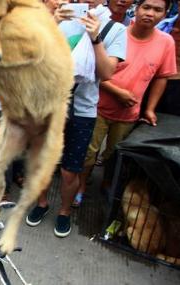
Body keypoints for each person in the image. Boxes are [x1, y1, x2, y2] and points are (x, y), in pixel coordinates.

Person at [27, 0, 127, 237]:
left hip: (82, 110)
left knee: (70, 170)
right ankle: (41, 203)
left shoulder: (115, 29)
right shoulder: (60, 20)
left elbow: (106, 73)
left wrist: (95, 38)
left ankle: (64, 212)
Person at [76, 0, 177, 203]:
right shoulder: (116, 32)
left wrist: (149, 109)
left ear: (166, 14)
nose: (150, 13)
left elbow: (161, 77)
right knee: (88, 151)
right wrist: (118, 92)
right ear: (137, 9)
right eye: (146, 7)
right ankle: (80, 186)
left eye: (158, 10)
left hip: (130, 113)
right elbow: (93, 69)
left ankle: (107, 185)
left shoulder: (166, 42)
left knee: (114, 155)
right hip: (97, 107)